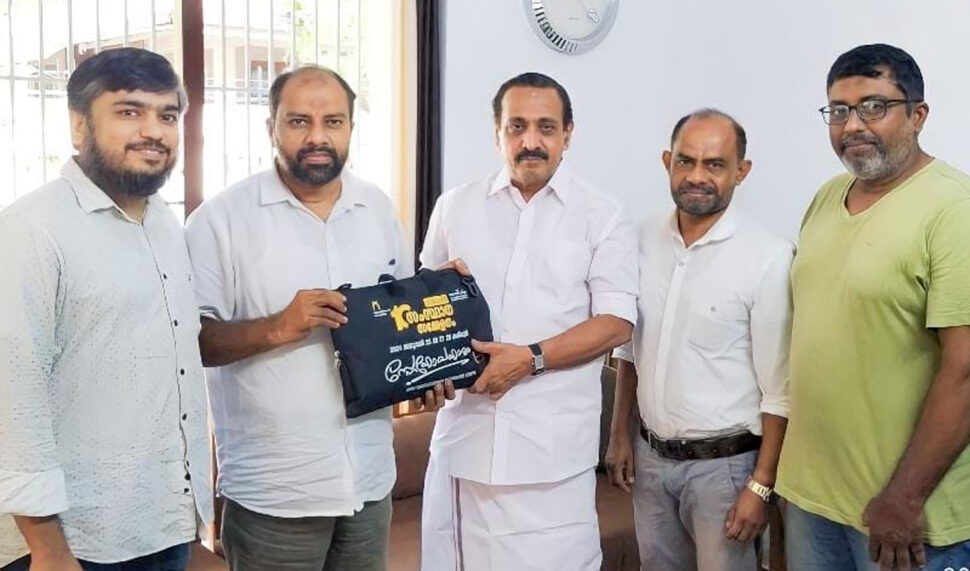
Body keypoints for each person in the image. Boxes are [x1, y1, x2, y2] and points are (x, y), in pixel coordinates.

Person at [184, 65, 440, 571]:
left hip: (368, 481)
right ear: (271, 128)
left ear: (350, 128)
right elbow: (192, 344)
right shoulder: (220, 220)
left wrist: (427, 371)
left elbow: (401, 324)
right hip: (275, 493)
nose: (317, 137)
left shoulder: (377, 209)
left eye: (333, 121)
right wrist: (279, 325)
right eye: (299, 121)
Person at [0, 47, 213, 571]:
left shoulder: (164, 223)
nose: (154, 131)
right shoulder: (31, 229)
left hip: (162, 524)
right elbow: (13, 392)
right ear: (79, 126)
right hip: (74, 542)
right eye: (128, 111)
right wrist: (48, 547)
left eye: (167, 116)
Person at [418, 72, 638, 571]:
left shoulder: (602, 215)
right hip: (464, 448)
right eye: (516, 126)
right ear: (497, 133)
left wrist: (530, 359)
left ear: (568, 134)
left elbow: (616, 322)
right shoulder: (455, 207)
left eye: (546, 127)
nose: (530, 141)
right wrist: (427, 370)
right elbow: (427, 311)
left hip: (550, 462)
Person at [776, 43, 970, 571]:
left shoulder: (953, 210)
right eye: (839, 110)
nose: (853, 125)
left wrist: (903, 498)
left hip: (904, 515)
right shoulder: (826, 197)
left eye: (874, 107)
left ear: (918, 115)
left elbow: (964, 372)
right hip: (813, 498)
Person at [606, 109, 792, 571]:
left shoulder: (768, 257)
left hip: (725, 470)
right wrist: (619, 435)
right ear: (667, 161)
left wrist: (761, 486)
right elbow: (630, 346)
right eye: (685, 161)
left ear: (741, 171)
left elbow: (780, 391)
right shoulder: (640, 238)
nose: (696, 176)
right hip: (650, 461)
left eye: (715, 164)